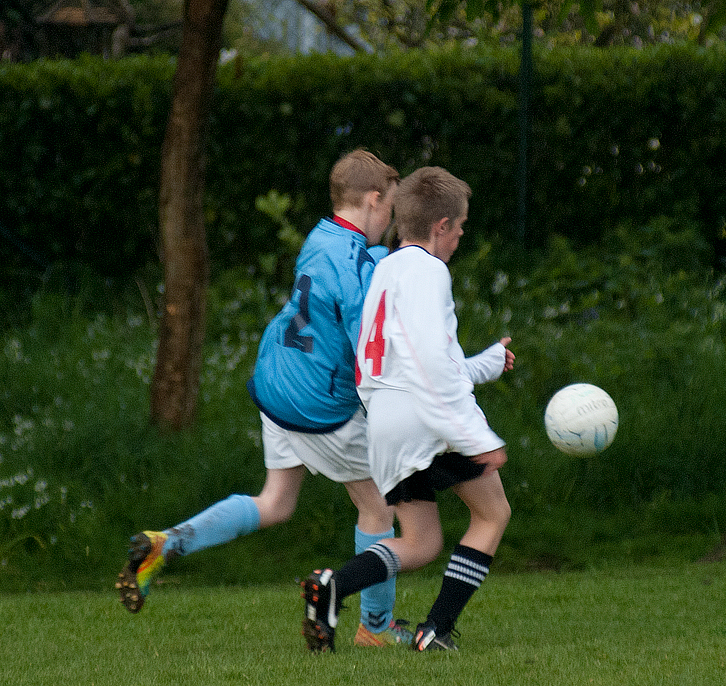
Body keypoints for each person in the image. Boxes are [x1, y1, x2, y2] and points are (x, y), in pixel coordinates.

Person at [117, 149, 413, 648]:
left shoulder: (321, 237)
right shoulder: (359, 265)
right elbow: (369, 350)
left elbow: (348, 276)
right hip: (316, 403)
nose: (390, 224)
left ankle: (166, 544)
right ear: (373, 199)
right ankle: (375, 630)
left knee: (275, 502)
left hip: (275, 380)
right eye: (390, 212)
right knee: (380, 508)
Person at [301, 166, 514, 653]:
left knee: (420, 543)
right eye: (459, 228)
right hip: (425, 417)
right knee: (492, 513)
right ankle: (436, 629)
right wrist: (475, 437)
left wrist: (486, 363)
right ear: (441, 226)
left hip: (387, 423)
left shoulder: (387, 268)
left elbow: (409, 355)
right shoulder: (427, 270)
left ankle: (332, 586)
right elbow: (430, 364)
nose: (460, 237)